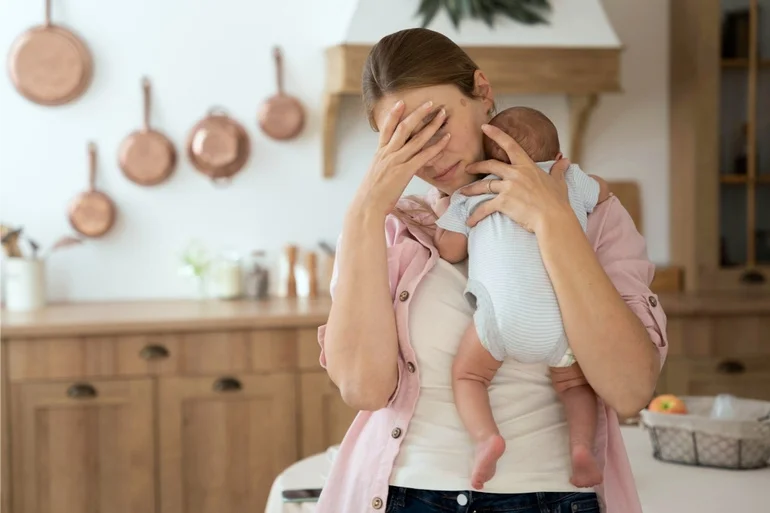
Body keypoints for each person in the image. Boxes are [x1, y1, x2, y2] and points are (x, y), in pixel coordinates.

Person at [316, 27, 667, 513]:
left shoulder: (593, 213)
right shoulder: (390, 230)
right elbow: (363, 388)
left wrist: (554, 222)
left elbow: (629, 390)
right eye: (404, 142)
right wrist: (365, 210)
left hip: (553, 499)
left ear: (482, 93)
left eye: (436, 127)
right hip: (404, 497)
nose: (430, 156)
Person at [433, 105, 611, 490]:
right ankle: (582, 449)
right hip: (564, 320)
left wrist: (446, 210)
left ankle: (486, 439)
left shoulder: (472, 193)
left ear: (485, 162)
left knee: (469, 375)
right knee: (576, 386)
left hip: (501, 319)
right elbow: (605, 193)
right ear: (558, 157)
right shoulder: (569, 180)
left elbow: (448, 250)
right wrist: (575, 175)